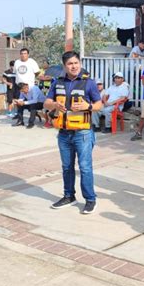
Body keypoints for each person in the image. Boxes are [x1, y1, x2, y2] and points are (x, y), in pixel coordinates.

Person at [44, 51, 102, 215]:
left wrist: (88, 107)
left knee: (84, 167)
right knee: (67, 167)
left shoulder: (88, 83)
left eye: (76, 62)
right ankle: (69, 196)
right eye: (70, 63)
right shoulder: (57, 82)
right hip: (64, 133)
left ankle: (90, 199)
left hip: (83, 133)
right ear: (65, 66)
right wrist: (55, 104)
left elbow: (99, 104)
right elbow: (47, 102)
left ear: (80, 63)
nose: (74, 66)